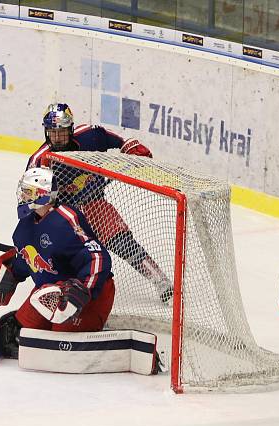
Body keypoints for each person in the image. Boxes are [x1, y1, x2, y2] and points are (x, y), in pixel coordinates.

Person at [27, 102, 172, 303]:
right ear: (45, 132)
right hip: (64, 215)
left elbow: (120, 140)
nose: (58, 138)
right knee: (69, 258)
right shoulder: (40, 160)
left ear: (71, 129)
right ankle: (68, 294)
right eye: (53, 133)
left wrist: (129, 145)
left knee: (123, 242)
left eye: (62, 132)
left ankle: (160, 280)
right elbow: (31, 200)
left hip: (95, 203)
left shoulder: (90, 136)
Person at [0, 166, 115, 362]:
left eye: (28, 191)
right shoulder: (25, 224)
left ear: (42, 194)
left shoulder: (66, 219)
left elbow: (97, 258)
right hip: (49, 292)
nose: (22, 195)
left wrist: (84, 289)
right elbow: (30, 257)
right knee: (24, 331)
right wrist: (13, 273)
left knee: (60, 336)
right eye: (23, 190)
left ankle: (92, 323)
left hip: (88, 293)